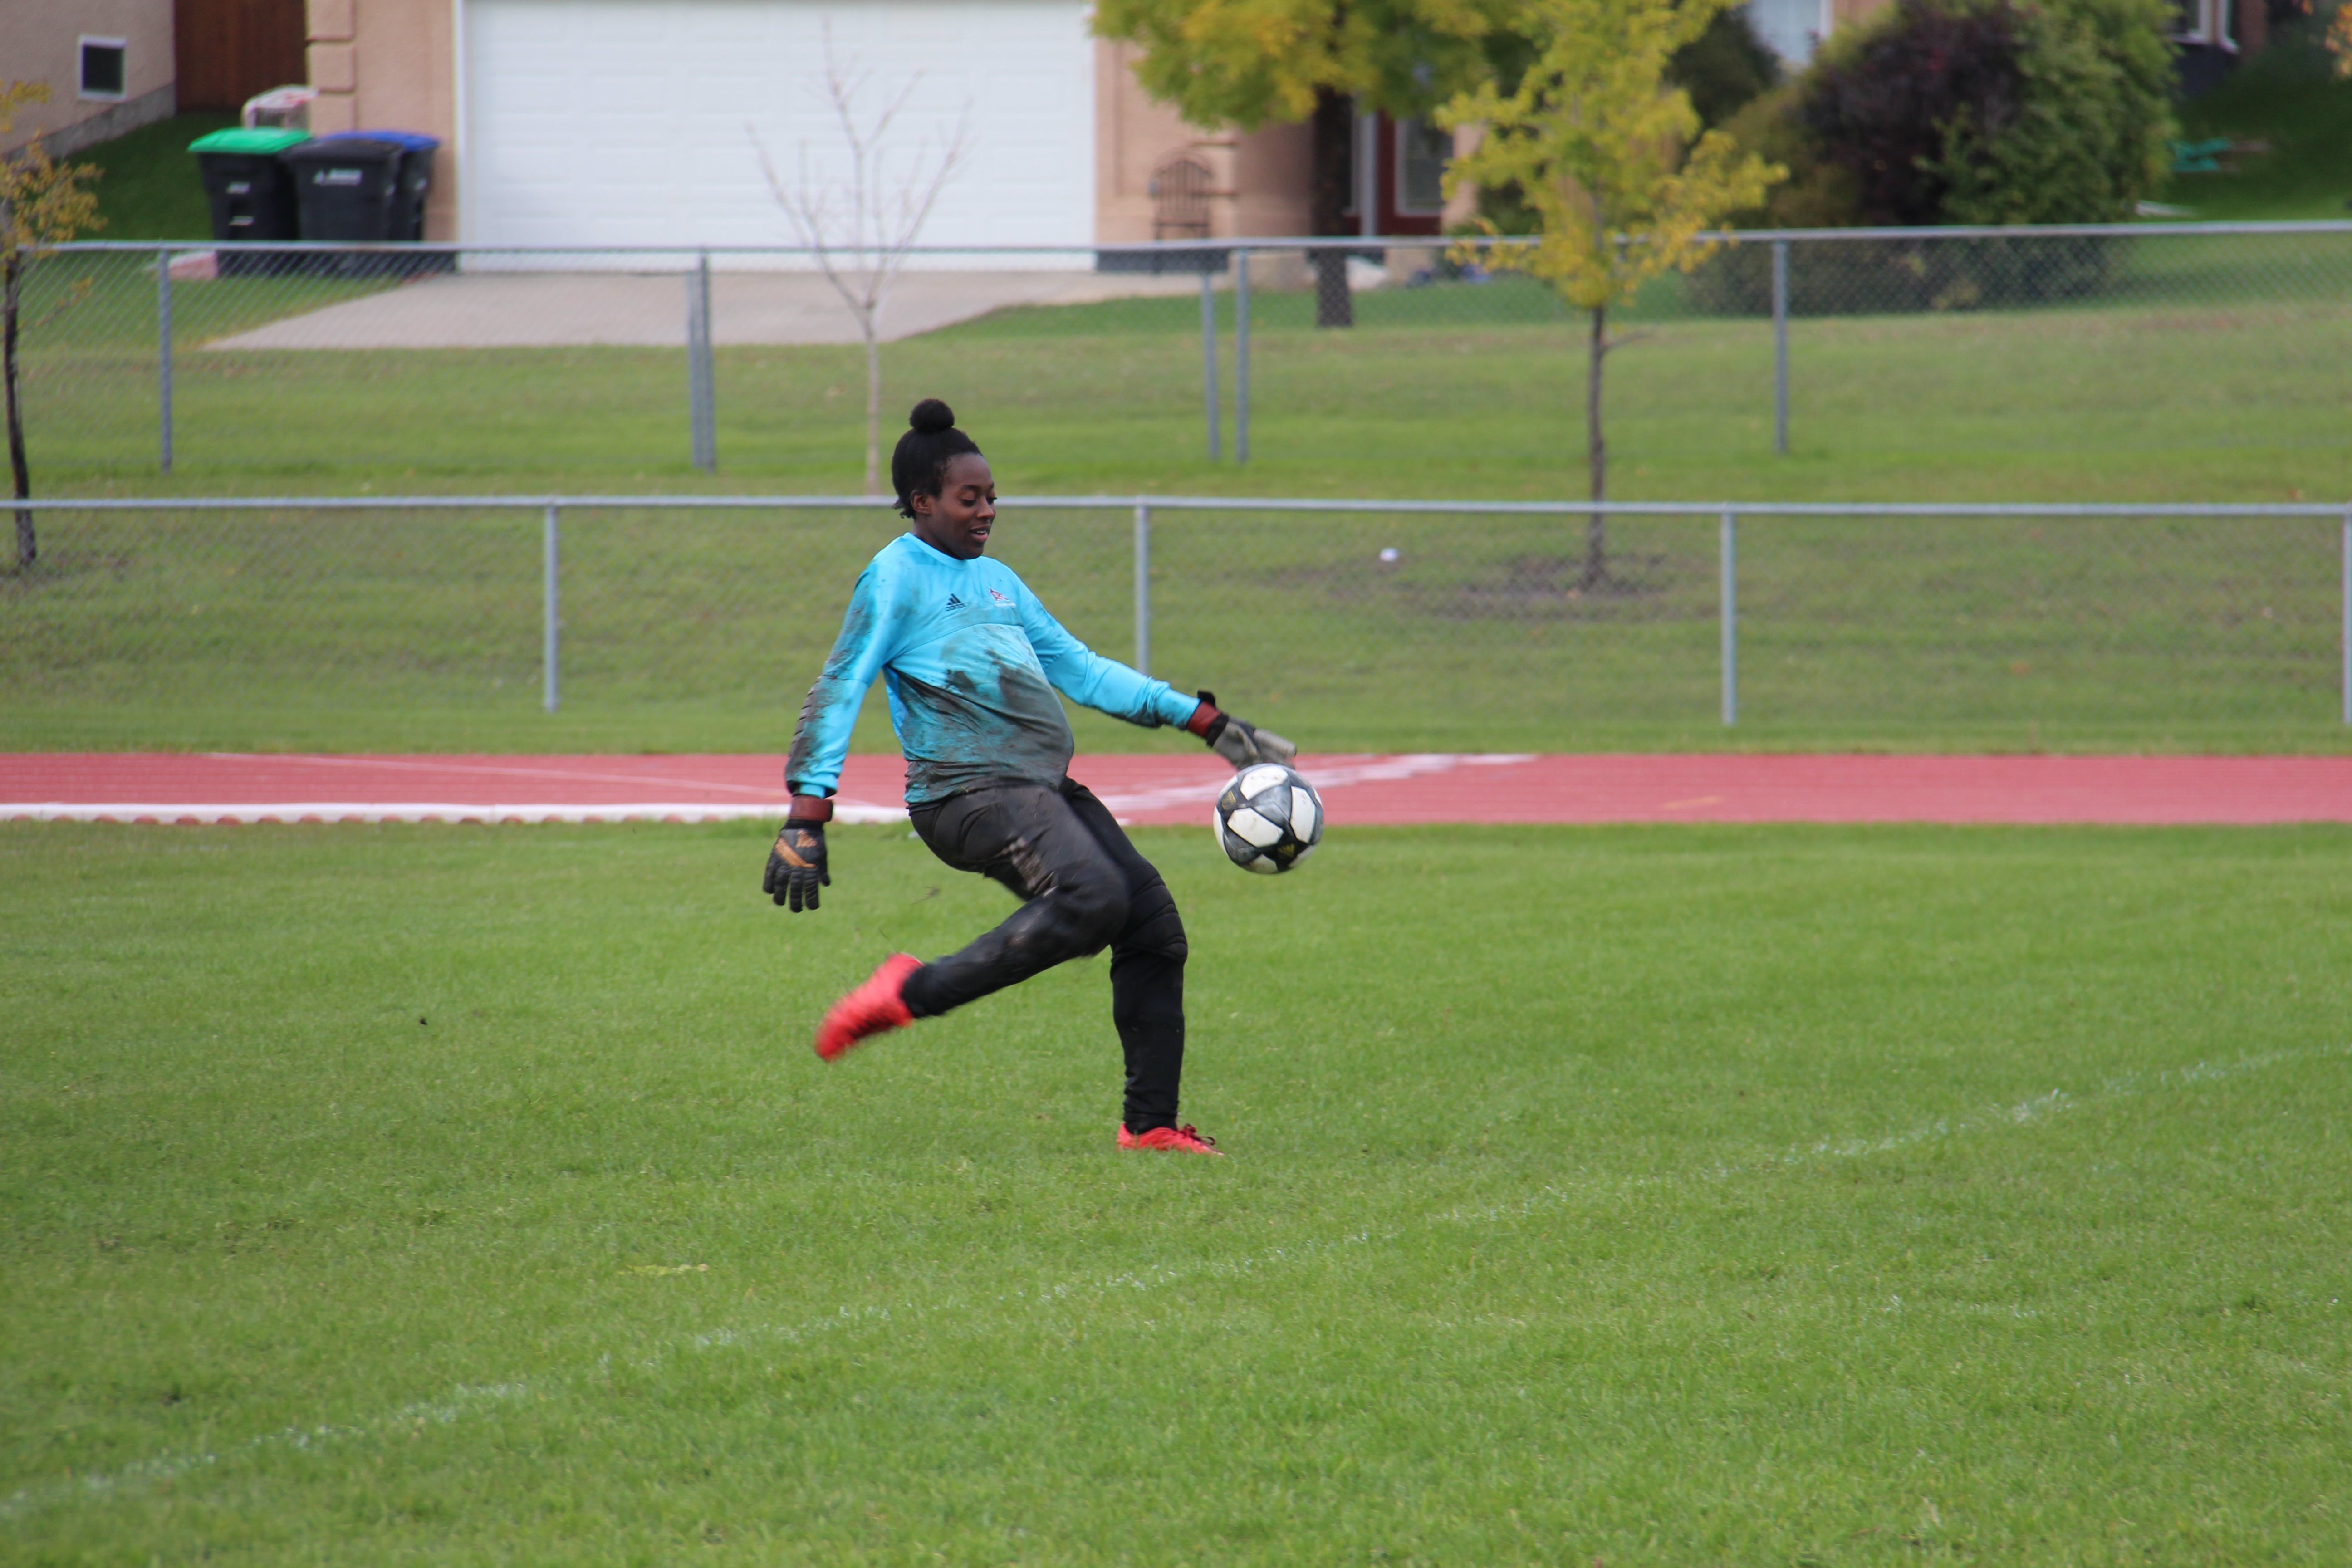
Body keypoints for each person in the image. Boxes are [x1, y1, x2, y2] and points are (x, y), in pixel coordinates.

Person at [764, 399, 1296, 1156]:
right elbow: (840, 685)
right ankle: (907, 992)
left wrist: (1202, 720)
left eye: (991, 499)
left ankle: (1148, 1127)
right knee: (1093, 897)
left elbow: (1079, 667)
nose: (986, 512)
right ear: (922, 502)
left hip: (1037, 789)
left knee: (1153, 932)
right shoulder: (894, 577)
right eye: (968, 498)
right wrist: (806, 814)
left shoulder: (998, 580)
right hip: (966, 795)